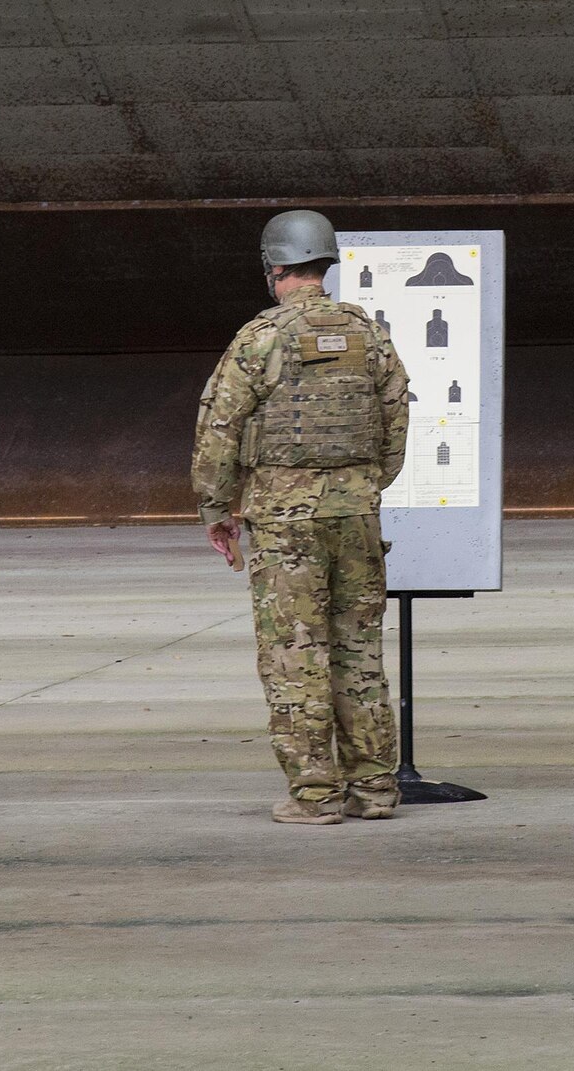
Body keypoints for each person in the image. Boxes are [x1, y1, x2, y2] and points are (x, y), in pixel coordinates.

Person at [193, 211, 411, 825]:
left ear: (275, 268)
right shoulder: (370, 335)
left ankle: (315, 796)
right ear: (324, 265)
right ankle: (374, 789)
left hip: (286, 524)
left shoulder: (260, 337)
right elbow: (397, 420)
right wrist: (364, 486)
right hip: (358, 516)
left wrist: (217, 508)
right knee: (357, 649)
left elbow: (219, 427)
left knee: (296, 653)